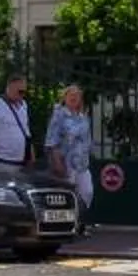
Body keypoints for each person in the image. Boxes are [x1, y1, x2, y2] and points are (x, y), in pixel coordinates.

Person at [45, 85, 95, 236]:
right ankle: (69, 226)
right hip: (66, 162)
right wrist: (56, 161)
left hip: (82, 163)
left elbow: (87, 139)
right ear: (65, 97)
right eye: (70, 95)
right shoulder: (59, 115)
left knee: (87, 192)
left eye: (77, 95)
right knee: (68, 195)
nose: (73, 98)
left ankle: (78, 221)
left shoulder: (83, 116)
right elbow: (51, 140)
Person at [0, 74, 35, 168]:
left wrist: (31, 153)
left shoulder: (24, 105)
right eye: (20, 91)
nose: (22, 95)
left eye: (24, 91)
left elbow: (26, 131)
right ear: (9, 88)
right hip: (3, 160)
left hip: (22, 161)